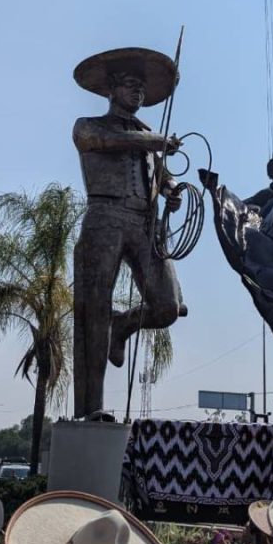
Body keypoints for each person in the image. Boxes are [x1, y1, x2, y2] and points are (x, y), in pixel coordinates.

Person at [71, 46, 186, 419]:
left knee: (168, 306)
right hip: (105, 217)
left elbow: (163, 177)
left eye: (141, 87)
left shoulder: (151, 137)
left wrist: (172, 192)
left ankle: (123, 325)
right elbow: (110, 144)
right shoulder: (89, 126)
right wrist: (156, 142)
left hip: (145, 224)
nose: (137, 92)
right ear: (111, 90)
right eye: (129, 85)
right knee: (94, 310)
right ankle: (92, 408)